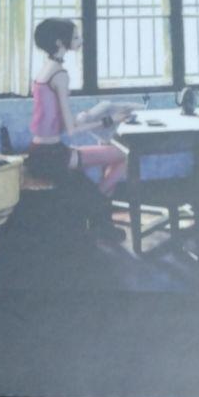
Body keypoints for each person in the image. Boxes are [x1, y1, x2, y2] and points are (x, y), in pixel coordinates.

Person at [26, 18, 132, 239]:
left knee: (109, 157)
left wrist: (84, 117)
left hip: (39, 151)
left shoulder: (45, 71)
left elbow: (54, 121)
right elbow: (72, 130)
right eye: (75, 37)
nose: (80, 40)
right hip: (52, 156)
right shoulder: (60, 75)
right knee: (125, 155)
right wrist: (110, 120)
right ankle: (97, 209)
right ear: (59, 42)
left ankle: (100, 219)